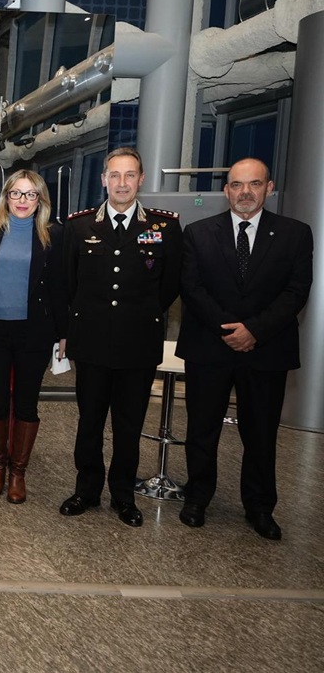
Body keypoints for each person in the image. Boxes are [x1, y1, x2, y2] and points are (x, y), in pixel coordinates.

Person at [176, 158, 313, 541]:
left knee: (261, 433)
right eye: (237, 185)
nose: (245, 192)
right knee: (202, 430)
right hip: (210, 347)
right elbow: (192, 288)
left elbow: (296, 291)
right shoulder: (199, 233)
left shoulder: (295, 234)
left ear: (269, 188)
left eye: (254, 184)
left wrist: (254, 330)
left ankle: (259, 507)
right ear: (226, 190)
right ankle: (197, 498)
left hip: (266, 351)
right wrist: (230, 330)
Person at [59, 147, 182, 527]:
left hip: (137, 344)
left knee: (128, 426)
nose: (122, 182)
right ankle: (87, 489)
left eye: (130, 175)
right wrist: (66, 333)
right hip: (92, 342)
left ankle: (124, 496)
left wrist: (139, 314)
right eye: (115, 175)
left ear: (141, 179)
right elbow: (67, 284)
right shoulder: (80, 226)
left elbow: (171, 284)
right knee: (90, 422)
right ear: (103, 180)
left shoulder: (163, 227)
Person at [0, 171, 67, 504]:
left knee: (26, 403)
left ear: (40, 200)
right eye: (16, 194)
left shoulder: (55, 235)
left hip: (34, 332)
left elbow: (60, 288)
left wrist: (64, 333)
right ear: (6, 197)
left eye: (30, 195)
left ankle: (18, 472)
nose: (23, 201)